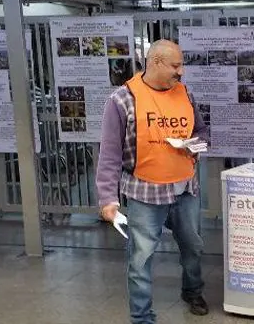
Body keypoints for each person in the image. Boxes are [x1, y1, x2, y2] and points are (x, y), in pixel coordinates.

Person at [96, 39, 210, 324]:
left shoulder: (186, 95)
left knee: (192, 247)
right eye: (176, 65)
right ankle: (142, 317)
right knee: (140, 260)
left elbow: (203, 133)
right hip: (144, 194)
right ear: (156, 62)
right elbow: (109, 154)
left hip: (185, 189)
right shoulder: (122, 100)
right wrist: (108, 199)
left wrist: (193, 144)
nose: (180, 72)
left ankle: (192, 290)